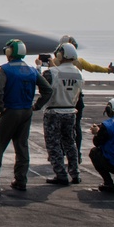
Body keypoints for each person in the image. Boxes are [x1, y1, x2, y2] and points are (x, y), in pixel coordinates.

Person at [0, 39, 52, 192]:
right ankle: (21, 180)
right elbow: (48, 90)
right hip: (26, 112)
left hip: (10, 111)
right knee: (22, 147)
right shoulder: (32, 70)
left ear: (9, 52)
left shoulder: (5, 69)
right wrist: (37, 105)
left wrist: (0, 107)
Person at [49, 35, 114, 164]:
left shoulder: (55, 63)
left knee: (58, 129)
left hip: (61, 99)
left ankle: (60, 153)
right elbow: (93, 67)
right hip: (76, 98)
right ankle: (77, 153)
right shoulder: (79, 62)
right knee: (76, 127)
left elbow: (50, 77)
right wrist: (108, 70)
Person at [37, 42, 84, 185]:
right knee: (70, 142)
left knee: (53, 144)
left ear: (60, 54)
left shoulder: (51, 72)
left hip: (54, 111)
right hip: (70, 111)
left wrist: (39, 67)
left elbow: (41, 84)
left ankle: (60, 174)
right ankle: (75, 173)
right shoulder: (78, 73)